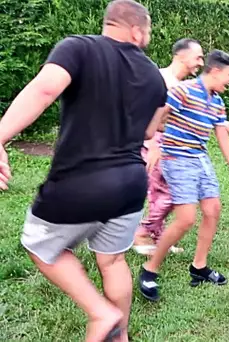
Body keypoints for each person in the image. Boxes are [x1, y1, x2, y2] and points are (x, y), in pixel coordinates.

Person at [0, 1, 169, 340]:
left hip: (80, 183)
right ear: (136, 30)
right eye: (148, 31)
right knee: (113, 262)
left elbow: (45, 89)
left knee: (39, 245)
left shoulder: (77, 48)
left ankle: (101, 313)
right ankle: (120, 335)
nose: (147, 38)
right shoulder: (154, 75)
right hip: (131, 187)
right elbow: (151, 131)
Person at [138, 49, 229, 302]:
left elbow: (221, 136)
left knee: (213, 209)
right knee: (185, 219)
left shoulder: (216, 101)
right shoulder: (182, 91)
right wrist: (153, 144)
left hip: (200, 158)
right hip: (177, 158)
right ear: (215, 71)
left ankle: (199, 267)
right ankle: (149, 270)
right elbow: (159, 114)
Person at [132, 38, 205, 256]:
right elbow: (146, 113)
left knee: (167, 192)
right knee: (168, 193)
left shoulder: (182, 85)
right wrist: (154, 145)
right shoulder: (161, 79)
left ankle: (158, 235)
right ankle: (142, 233)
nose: (201, 63)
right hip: (155, 145)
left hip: (173, 147)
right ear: (181, 56)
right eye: (198, 57)